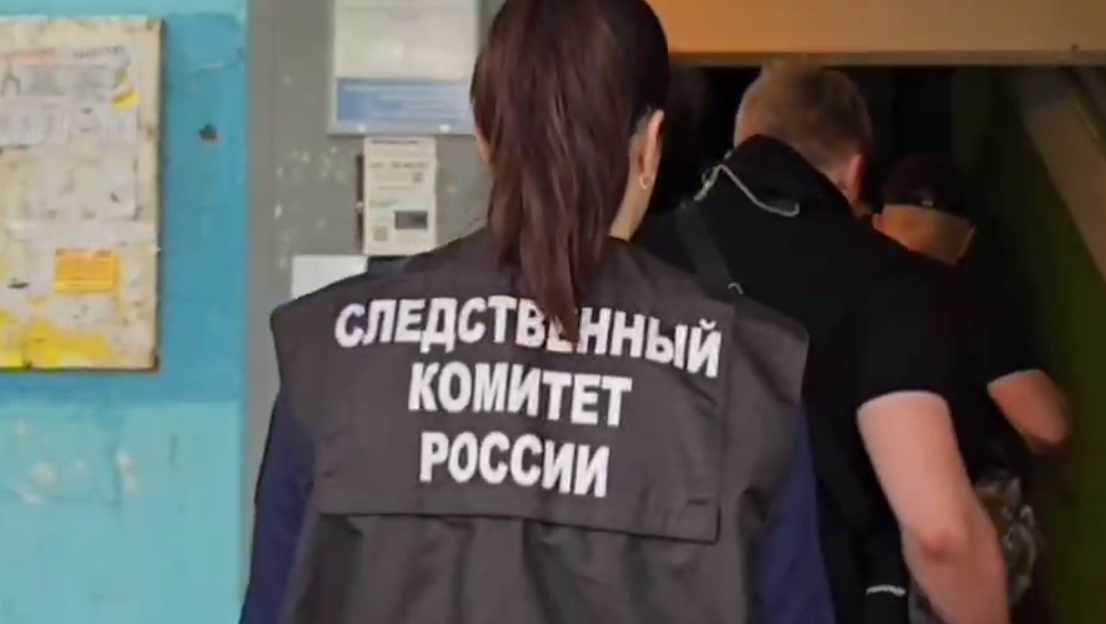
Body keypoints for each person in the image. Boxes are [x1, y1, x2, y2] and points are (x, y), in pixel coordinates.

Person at [242, 1, 835, 623]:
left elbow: (275, 602)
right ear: (651, 145)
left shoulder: (337, 353)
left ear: (484, 136)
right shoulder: (744, 372)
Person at [635, 60, 1010, 624]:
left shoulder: (638, 258)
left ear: (742, 140)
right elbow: (939, 533)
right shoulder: (888, 282)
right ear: (855, 172)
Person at [876, 154, 1071, 455]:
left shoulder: (832, 280)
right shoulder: (968, 302)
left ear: (877, 225)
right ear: (967, 241)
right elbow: (1048, 428)